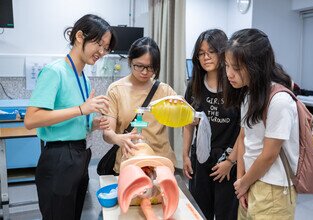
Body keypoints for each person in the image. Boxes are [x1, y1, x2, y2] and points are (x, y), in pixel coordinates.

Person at [24, 14, 117, 220]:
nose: (101, 52)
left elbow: (71, 116)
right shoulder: (54, 71)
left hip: (80, 155)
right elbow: (31, 119)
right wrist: (82, 109)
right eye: (99, 44)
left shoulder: (83, 77)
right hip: (59, 158)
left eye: (106, 47)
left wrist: (92, 124)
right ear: (79, 37)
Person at [223, 28, 299, 219]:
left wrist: (244, 182)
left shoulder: (279, 100)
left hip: (274, 189)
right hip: (251, 179)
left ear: (256, 65)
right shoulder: (249, 94)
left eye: (237, 68)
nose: (229, 74)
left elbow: (269, 155)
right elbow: (243, 137)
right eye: (227, 66)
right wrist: (241, 180)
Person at [182, 29, 240, 220]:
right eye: (200, 53)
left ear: (223, 53)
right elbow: (188, 122)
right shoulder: (194, 85)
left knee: (226, 213)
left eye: (211, 52)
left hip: (228, 158)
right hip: (201, 156)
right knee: (199, 211)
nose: (205, 57)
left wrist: (230, 161)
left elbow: (244, 130)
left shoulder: (236, 85)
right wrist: (185, 155)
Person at [103, 36, 177, 174]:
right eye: (139, 66)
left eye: (150, 68)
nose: (144, 72)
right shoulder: (116, 90)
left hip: (160, 164)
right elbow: (107, 133)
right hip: (130, 163)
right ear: (130, 61)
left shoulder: (165, 91)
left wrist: (183, 110)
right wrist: (118, 139)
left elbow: (185, 118)